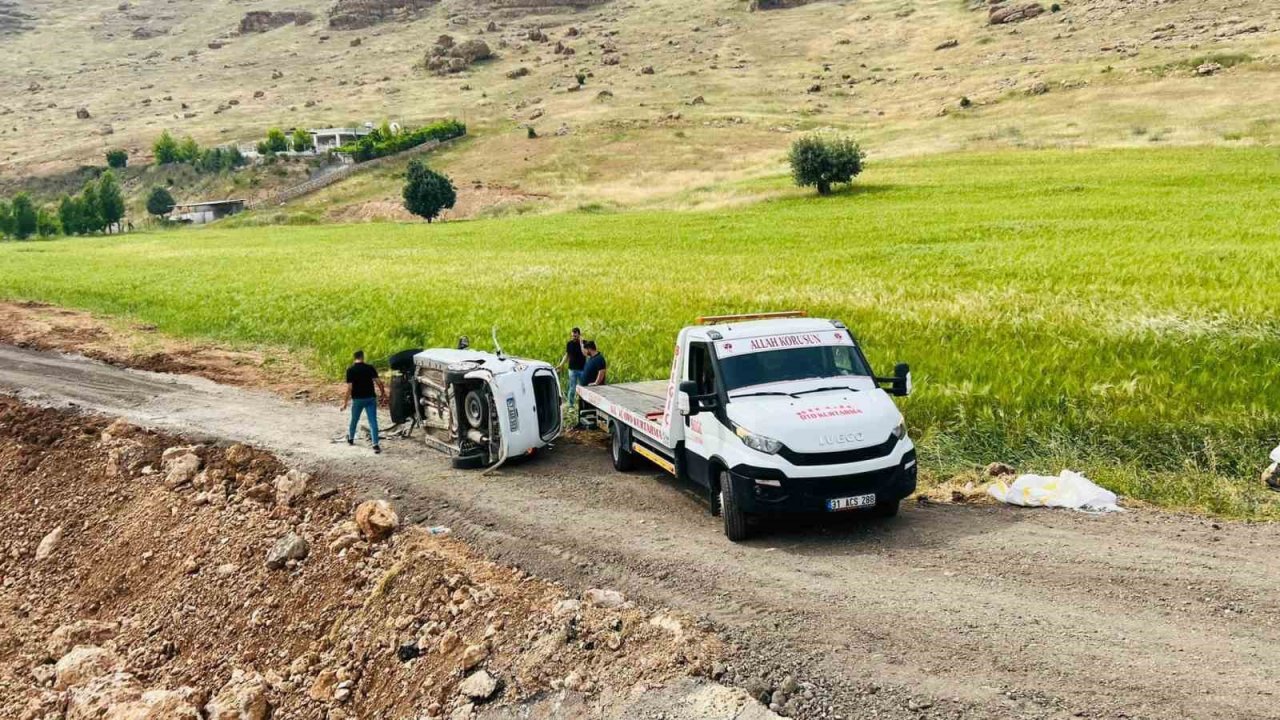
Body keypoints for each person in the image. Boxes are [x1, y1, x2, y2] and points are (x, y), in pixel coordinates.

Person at [342, 350, 386, 454]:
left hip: (357, 399)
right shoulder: (370, 368)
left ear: (354, 358)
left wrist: (345, 402)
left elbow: (349, 388)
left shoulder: (350, 370)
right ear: (363, 357)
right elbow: (379, 383)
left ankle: (351, 438)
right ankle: (375, 444)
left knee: (354, 419)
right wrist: (383, 393)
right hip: (370, 398)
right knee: (373, 421)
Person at [556, 327, 586, 404]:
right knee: (572, 388)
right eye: (572, 336)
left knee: (583, 388)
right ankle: (571, 405)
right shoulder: (569, 344)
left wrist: (581, 344)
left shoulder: (584, 343)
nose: (573, 337)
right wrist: (561, 365)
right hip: (572, 369)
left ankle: (583, 404)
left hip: (582, 369)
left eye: (575, 336)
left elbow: (585, 353)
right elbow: (567, 355)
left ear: (579, 335)